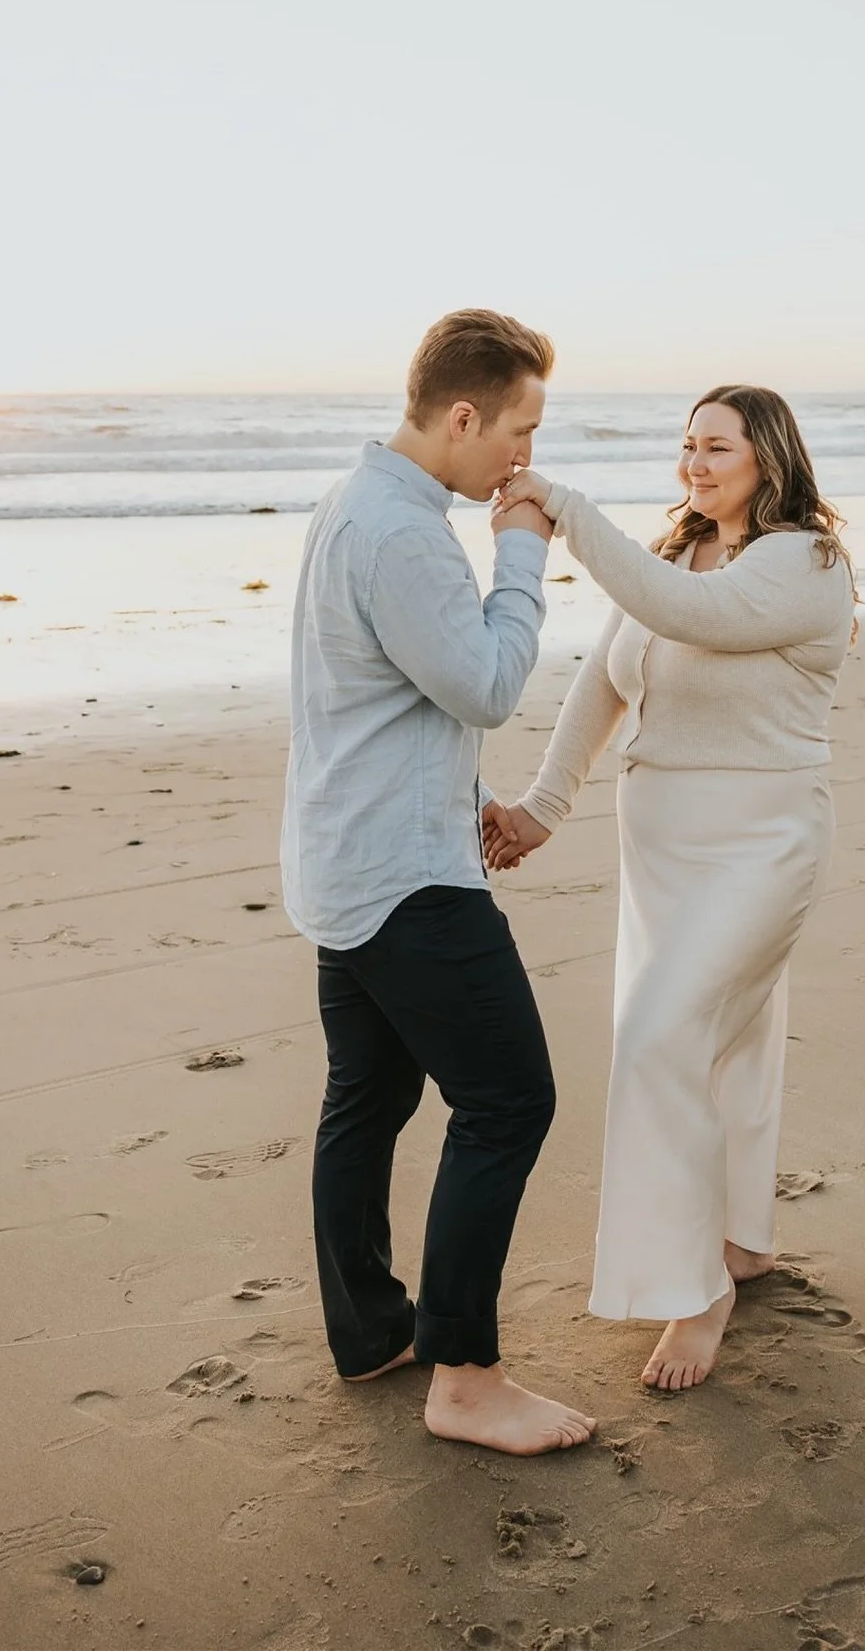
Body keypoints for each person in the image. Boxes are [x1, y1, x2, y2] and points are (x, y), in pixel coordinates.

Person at [486, 385, 855, 1392]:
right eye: (687, 445)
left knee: (660, 1037)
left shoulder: (806, 563)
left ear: (769, 457)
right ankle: (742, 1237)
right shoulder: (671, 553)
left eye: (718, 446)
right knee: (728, 1039)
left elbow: (688, 617)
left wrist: (558, 505)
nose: (695, 463)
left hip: (762, 840)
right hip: (661, 849)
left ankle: (701, 1293)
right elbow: (605, 678)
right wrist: (541, 807)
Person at [281, 309, 596, 1455]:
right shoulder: (406, 532)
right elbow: (485, 685)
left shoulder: (352, 503)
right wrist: (523, 548)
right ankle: (463, 1373)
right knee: (511, 1100)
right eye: (518, 431)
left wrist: (455, 799)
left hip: (345, 857)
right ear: (462, 416)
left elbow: (370, 699)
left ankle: (371, 1329)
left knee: (368, 1096)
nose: (525, 457)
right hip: (404, 882)